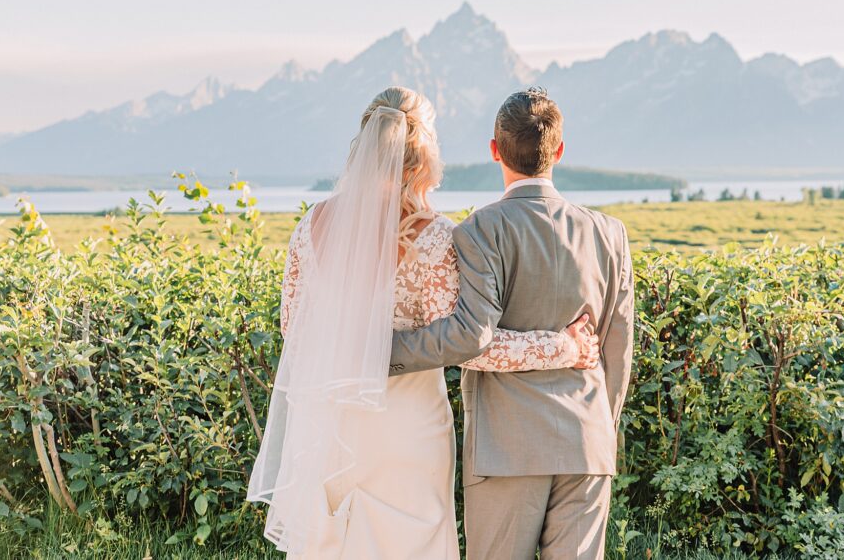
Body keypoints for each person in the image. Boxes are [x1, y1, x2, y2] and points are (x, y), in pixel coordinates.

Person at [247, 87, 599, 557]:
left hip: (331, 427)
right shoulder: (436, 237)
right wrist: (565, 347)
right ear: (425, 155)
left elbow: (295, 332)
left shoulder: (310, 227)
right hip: (406, 430)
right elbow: (472, 342)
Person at [389, 86, 635, 559]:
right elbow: (618, 349)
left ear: (494, 150)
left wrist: (379, 352)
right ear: (559, 151)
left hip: (504, 450)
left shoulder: (479, 230)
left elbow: (468, 336)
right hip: (587, 441)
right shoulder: (610, 233)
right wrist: (601, 425)